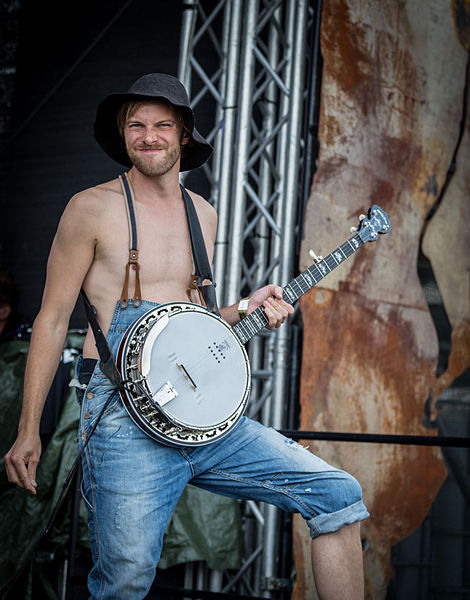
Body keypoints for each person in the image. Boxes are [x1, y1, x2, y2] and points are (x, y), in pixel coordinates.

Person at [4, 73, 369, 599]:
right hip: (122, 419)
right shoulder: (91, 208)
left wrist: (247, 307)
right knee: (125, 581)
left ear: (183, 136)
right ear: (123, 134)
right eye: (136, 125)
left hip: (202, 418)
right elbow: (53, 317)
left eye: (162, 125)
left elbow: (190, 321)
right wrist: (28, 428)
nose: (148, 135)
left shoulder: (203, 214)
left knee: (337, 494)